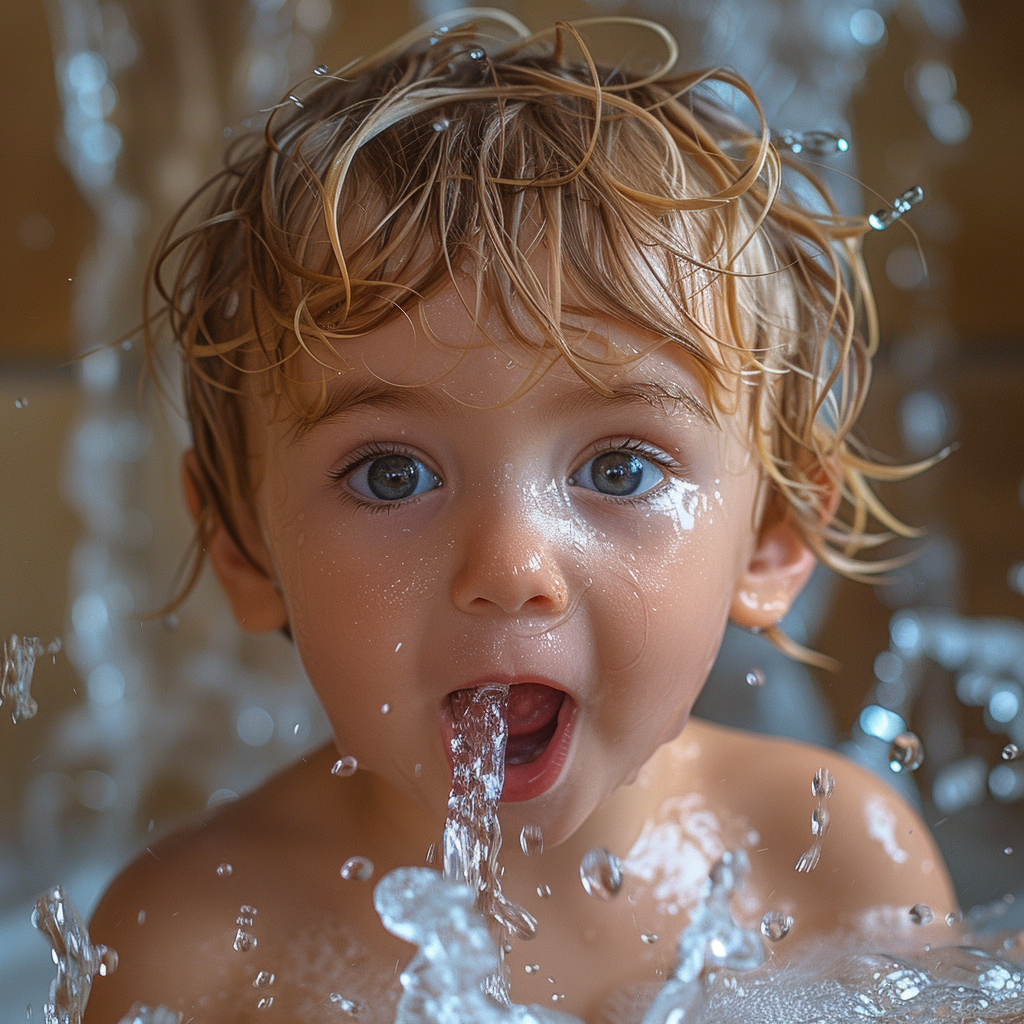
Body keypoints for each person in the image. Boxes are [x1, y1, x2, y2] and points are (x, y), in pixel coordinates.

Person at [83, 12, 956, 1023]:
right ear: (238, 544)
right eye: (391, 475)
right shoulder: (195, 947)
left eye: (620, 468)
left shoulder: (840, 864)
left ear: (774, 538)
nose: (508, 564)